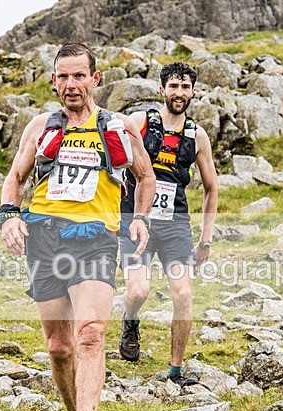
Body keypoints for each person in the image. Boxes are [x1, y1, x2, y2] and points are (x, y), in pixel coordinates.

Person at [0, 42, 156, 411]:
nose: (71, 85)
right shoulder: (40, 126)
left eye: (79, 76)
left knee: (90, 333)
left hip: (96, 239)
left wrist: (139, 219)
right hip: (45, 239)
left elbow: (146, 177)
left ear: (95, 79)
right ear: (54, 81)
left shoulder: (119, 128)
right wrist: (9, 217)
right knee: (58, 347)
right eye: (63, 77)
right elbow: (15, 177)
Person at [117, 62, 218, 388]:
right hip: (136, 221)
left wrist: (205, 239)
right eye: (173, 86)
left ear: (193, 92)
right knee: (139, 290)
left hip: (175, 224)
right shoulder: (141, 121)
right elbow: (114, 161)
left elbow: (211, 187)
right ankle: (130, 323)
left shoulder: (197, 135)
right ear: (163, 90)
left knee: (183, 294)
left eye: (185, 87)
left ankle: (175, 370)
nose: (179, 93)